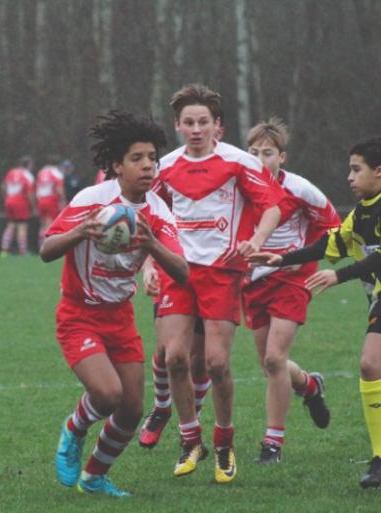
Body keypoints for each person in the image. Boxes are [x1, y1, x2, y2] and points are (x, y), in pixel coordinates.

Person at [249, 136, 381, 488]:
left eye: (355, 169)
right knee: (369, 365)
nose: (349, 177)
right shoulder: (364, 208)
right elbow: (331, 243)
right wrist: (282, 258)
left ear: (379, 173)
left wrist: (339, 274)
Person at [139, 83, 285, 483]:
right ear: (178, 125)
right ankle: (191, 440)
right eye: (189, 122)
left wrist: (255, 241)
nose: (197, 128)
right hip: (178, 270)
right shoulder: (165, 167)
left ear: (217, 126)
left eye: (204, 121)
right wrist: (149, 265)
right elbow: (151, 217)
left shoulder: (238, 162)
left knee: (218, 364)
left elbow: (272, 207)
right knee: (174, 358)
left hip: (222, 272)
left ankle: (224, 443)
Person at [42, 110, 189, 497]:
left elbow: (184, 272)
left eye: (152, 158)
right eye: (137, 158)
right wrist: (80, 231)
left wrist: (152, 244)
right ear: (116, 165)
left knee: (132, 409)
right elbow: (45, 249)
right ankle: (74, 429)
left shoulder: (157, 212)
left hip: (120, 319)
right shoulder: (92, 200)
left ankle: (93, 477)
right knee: (107, 395)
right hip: (79, 315)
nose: (147, 166)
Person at [242, 118, 340, 463]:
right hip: (252, 282)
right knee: (271, 365)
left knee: (273, 358)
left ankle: (272, 445)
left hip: (290, 279)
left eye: (267, 152)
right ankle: (310, 385)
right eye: (252, 151)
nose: (258, 158)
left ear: (282, 157)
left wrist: (304, 261)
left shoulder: (300, 188)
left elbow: (336, 228)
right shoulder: (239, 185)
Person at [0, 156, 35, 255]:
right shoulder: (28, 175)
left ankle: (4, 250)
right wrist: (33, 206)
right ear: (29, 165)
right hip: (20, 202)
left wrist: (6, 198)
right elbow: (30, 194)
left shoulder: (11, 172)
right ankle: (23, 251)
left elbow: (3, 186)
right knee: (22, 226)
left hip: (9, 201)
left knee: (10, 225)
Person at [35, 155, 65, 249]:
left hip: (40, 199)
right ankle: (47, 247)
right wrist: (63, 200)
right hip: (51, 199)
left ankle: (41, 246)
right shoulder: (57, 173)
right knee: (50, 223)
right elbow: (59, 189)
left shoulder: (41, 171)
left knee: (42, 224)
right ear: (58, 164)